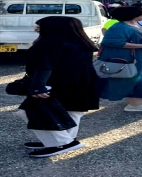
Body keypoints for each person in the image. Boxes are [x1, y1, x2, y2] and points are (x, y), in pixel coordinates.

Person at [15, 16, 99, 157]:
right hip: (82, 81)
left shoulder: (49, 43)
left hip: (57, 82)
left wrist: (37, 87)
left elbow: (44, 66)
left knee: (33, 111)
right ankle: (62, 141)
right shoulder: (81, 41)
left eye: (40, 26)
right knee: (71, 112)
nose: (37, 29)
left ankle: (61, 142)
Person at [97, 6, 142, 112]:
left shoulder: (134, 25)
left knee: (141, 78)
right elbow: (112, 42)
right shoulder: (120, 27)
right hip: (133, 58)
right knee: (136, 79)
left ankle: (136, 102)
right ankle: (136, 104)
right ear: (133, 15)